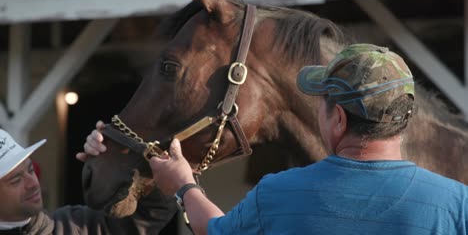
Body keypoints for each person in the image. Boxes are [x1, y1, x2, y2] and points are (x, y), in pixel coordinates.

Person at [124, 43, 466, 235]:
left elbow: (212, 228)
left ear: (339, 118)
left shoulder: (277, 195)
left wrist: (183, 184)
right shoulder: (456, 205)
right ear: (404, 119)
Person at [0, 128, 176, 234]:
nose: (32, 183)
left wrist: (116, 159)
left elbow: (153, 212)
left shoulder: (74, 227)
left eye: (30, 170)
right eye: (15, 180)